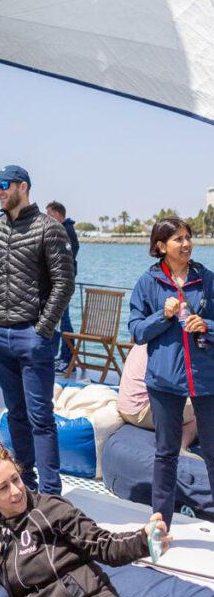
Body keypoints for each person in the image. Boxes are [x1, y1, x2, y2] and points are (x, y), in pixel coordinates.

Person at [0, 443, 170, 597]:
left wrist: (144, 539)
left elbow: (103, 545)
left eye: (16, 479)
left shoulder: (49, 510)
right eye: (4, 487)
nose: (16, 491)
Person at [0, 165, 74, 495]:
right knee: (16, 414)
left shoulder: (50, 229)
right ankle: (26, 484)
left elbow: (64, 283)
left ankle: (50, 493)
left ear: (23, 186)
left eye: (4, 185)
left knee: (41, 419)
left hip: (32, 337)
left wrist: (43, 329)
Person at [129, 216, 214, 525]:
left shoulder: (207, 279)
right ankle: (160, 523)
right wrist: (161, 317)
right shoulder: (148, 283)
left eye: (188, 237)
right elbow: (137, 331)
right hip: (164, 383)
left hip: (207, 381)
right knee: (166, 454)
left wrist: (206, 325)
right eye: (178, 239)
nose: (187, 243)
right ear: (161, 246)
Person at [117, 342, 197, 450]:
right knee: (201, 407)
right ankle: (181, 448)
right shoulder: (167, 346)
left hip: (126, 407)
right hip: (141, 412)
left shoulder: (145, 337)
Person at [46, 201, 79, 373]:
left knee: (63, 322)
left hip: (62, 285)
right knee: (59, 321)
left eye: (49, 215)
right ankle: (63, 356)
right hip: (60, 283)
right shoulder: (65, 230)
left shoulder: (65, 231)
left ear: (56, 214)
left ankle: (68, 358)